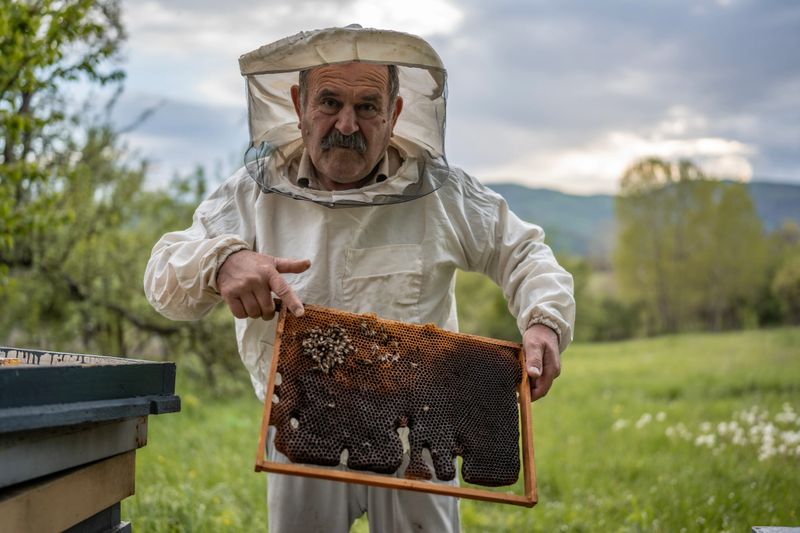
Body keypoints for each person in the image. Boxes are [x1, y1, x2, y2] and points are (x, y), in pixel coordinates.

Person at [144, 25, 575, 533]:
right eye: (329, 102)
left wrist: (544, 323)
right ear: (298, 105)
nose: (346, 123)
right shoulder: (252, 194)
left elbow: (524, 252)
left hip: (421, 429)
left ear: (393, 115)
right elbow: (163, 275)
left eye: (367, 106)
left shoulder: (440, 193)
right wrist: (222, 261)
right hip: (302, 425)